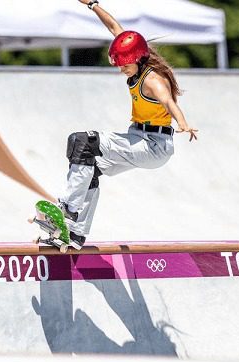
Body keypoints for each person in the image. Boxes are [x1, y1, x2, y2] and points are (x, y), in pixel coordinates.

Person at [59, 0, 199, 249]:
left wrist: (183, 122)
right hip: (139, 138)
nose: (122, 69)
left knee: (83, 141)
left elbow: (168, 101)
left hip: (153, 145)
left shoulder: (153, 81)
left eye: (125, 64)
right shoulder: (136, 57)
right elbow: (114, 27)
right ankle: (76, 233)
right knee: (90, 167)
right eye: (119, 64)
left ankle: (67, 209)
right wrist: (92, 4)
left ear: (137, 58)